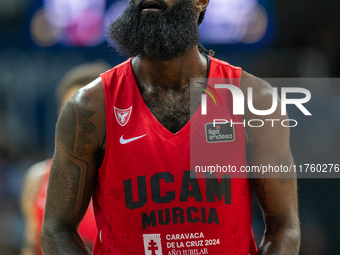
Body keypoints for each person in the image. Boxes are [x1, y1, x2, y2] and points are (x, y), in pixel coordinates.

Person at [41, 0, 300, 254]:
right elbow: (56, 229)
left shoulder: (253, 98)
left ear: (201, 2)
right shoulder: (90, 108)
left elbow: (284, 226)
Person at [21, 61, 110, 255]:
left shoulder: (130, 178)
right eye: (70, 109)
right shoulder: (37, 178)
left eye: (86, 111)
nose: (77, 120)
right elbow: (30, 247)